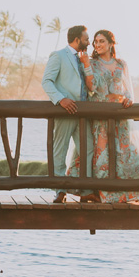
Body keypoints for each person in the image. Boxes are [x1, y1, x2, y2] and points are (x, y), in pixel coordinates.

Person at [67, 30, 139, 204]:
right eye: (95, 42)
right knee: (101, 155)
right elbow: (91, 87)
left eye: (101, 41)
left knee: (125, 152)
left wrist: (128, 100)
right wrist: (86, 64)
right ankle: (99, 193)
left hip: (119, 116)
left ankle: (129, 192)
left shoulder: (121, 64)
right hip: (99, 116)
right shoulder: (91, 63)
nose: (98, 45)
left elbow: (127, 89)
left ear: (110, 43)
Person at [41, 25, 91, 203]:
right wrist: (61, 100)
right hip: (65, 111)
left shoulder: (84, 59)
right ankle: (60, 191)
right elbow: (46, 81)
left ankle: (86, 191)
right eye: (86, 39)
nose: (89, 42)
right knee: (60, 152)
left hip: (83, 114)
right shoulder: (59, 55)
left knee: (88, 149)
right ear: (77, 39)